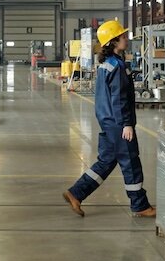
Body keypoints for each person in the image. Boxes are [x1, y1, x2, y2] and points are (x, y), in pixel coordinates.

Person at [63, 20, 156, 219]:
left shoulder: (107, 65)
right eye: (123, 37)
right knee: (131, 162)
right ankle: (139, 205)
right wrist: (126, 124)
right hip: (118, 123)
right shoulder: (117, 66)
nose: (126, 39)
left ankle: (76, 193)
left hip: (107, 121)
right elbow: (119, 98)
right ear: (113, 41)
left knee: (106, 162)